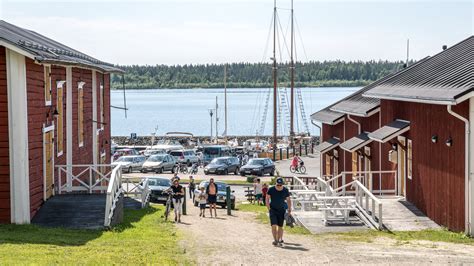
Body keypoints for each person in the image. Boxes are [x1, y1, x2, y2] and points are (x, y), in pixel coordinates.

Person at [266, 177, 291, 246]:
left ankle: (279, 239)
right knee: (273, 225)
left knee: (280, 226)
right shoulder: (271, 189)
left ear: (282, 184)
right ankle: (275, 240)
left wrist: (289, 209)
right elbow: (267, 198)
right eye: (278, 185)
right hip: (273, 210)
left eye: (280, 185)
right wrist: (269, 208)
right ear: (276, 184)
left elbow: (288, 200)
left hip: (282, 210)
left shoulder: (285, 190)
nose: (279, 186)